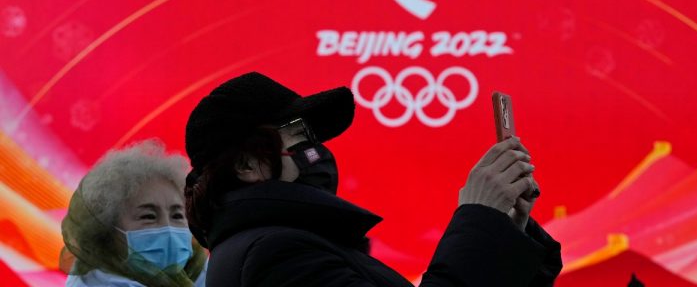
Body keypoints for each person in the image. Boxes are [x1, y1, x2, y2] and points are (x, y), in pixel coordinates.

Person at [184, 72, 562, 286]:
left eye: (316, 141)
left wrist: (506, 231)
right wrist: (478, 216)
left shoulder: (287, 243)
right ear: (248, 165)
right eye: (300, 139)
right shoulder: (276, 254)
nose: (316, 153)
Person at [61, 140, 207, 287]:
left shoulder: (200, 273)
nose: (168, 228)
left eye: (177, 216)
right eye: (148, 216)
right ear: (107, 230)